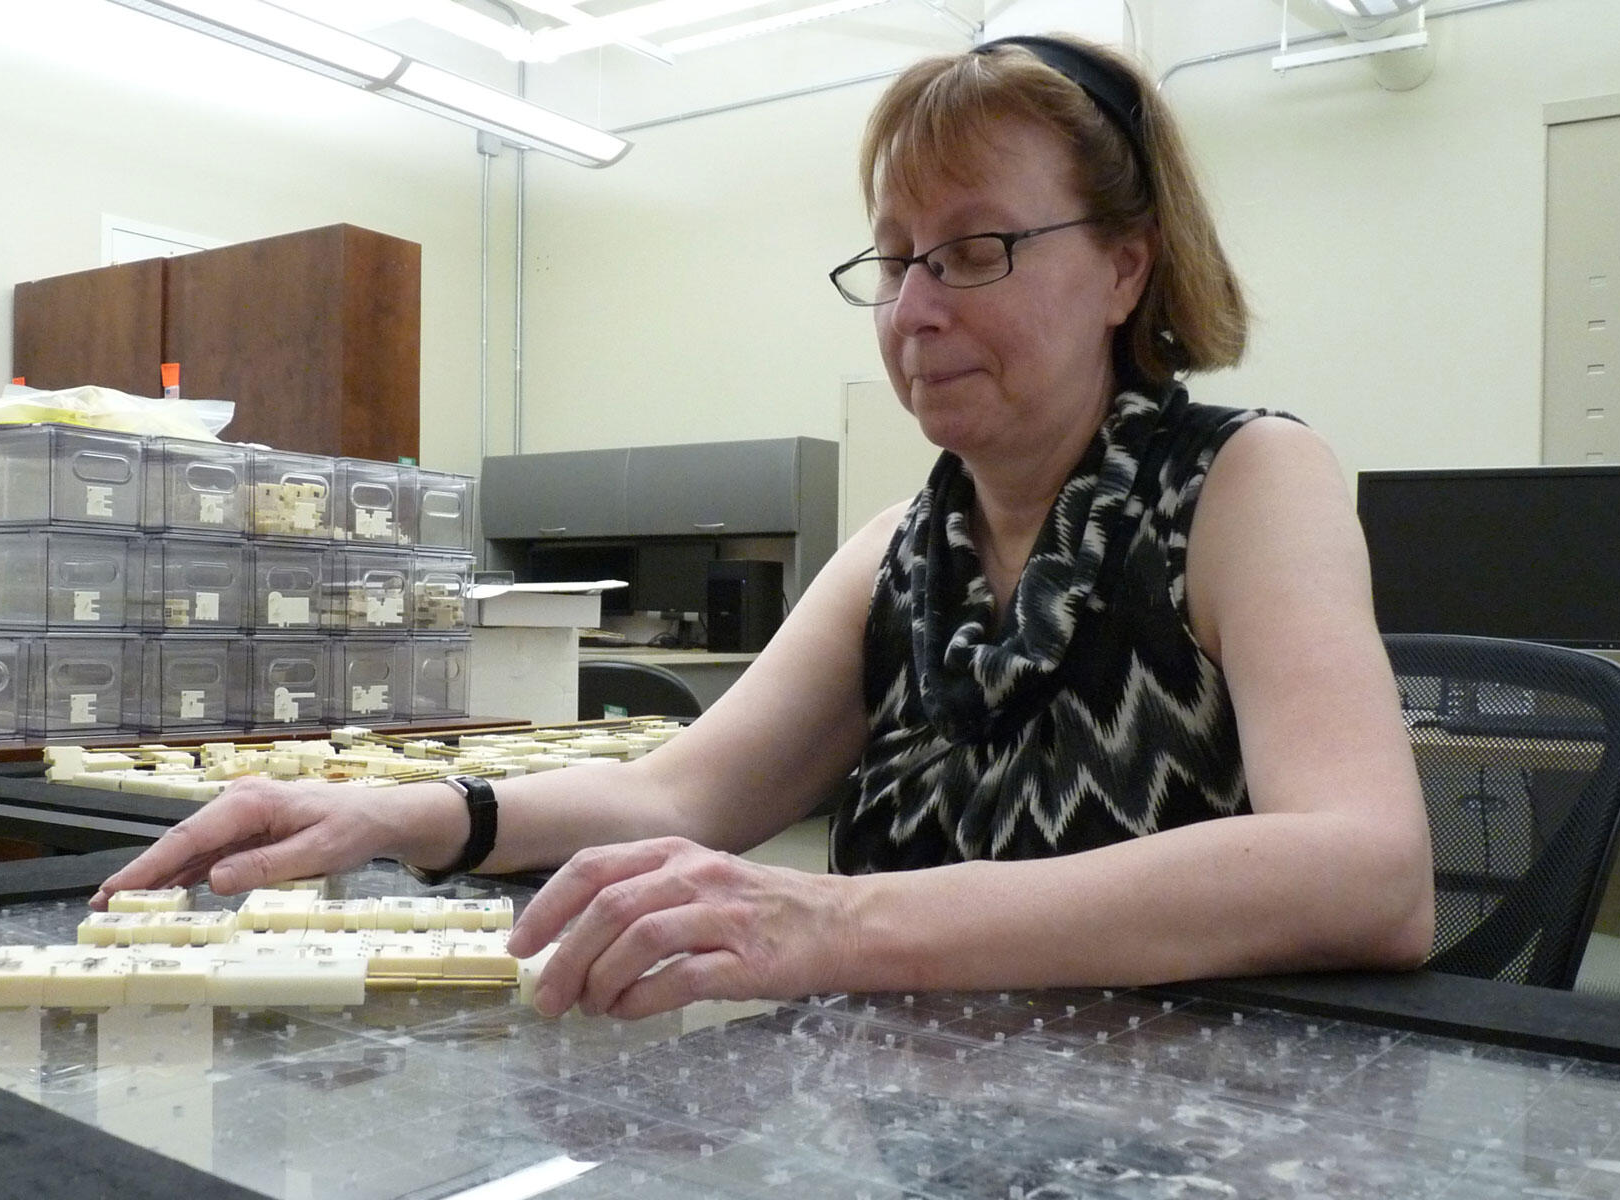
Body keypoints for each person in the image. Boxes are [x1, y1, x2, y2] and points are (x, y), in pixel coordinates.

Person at [95, 33, 1435, 1020]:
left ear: (1125, 267)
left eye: (977, 251)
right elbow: (680, 791)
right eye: (895, 257)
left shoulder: (1249, 484)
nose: (915, 309)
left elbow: (1369, 872)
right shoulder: (905, 549)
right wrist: (393, 813)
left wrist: (840, 919)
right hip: (917, 1123)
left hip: (1186, 1129)